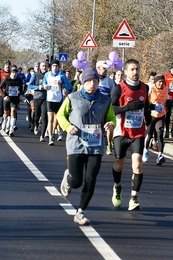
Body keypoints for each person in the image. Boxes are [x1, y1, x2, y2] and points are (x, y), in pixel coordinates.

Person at [57, 68, 116, 225]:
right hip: (76, 144)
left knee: (90, 179)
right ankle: (68, 178)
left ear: (98, 82)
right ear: (83, 83)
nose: (92, 84)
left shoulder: (105, 100)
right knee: (76, 182)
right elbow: (60, 115)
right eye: (88, 81)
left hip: (95, 146)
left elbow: (111, 117)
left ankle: (80, 211)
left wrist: (111, 124)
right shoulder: (72, 98)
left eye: (95, 81)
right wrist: (67, 126)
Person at [110, 59, 152, 211]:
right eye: (132, 70)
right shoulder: (119, 88)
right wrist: (128, 107)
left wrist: (148, 116)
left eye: (137, 69)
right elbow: (112, 109)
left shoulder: (145, 88)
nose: (135, 72)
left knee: (138, 163)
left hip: (138, 132)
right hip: (121, 132)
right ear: (126, 72)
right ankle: (117, 187)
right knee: (119, 164)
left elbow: (146, 107)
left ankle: (134, 198)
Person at [43, 59, 73, 145]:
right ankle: (50, 137)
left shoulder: (61, 75)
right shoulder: (47, 75)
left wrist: (62, 85)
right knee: (50, 119)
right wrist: (45, 86)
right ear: (51, 67)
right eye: (53, 66)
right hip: (50, 99)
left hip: (59, 99)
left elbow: (69, 86)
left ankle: (58, 133)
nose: (55, 67)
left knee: (58, 119)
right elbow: (43, 83)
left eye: (56, 66)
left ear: (58, 67)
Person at [143, 74, 168, 165]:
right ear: (156, 82)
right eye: (159, 82)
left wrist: (169, 103)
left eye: (163, 82)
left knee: (160, 134)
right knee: (149, 135)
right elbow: (145, 101)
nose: (161, 84)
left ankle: (160, 155)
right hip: (151, 115)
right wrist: (149, 107)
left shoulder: (166, 89)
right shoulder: (151, 89)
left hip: (161, 115)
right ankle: (146, 150)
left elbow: (167, 100)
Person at [96, 60, 116, 155]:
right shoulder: (93, 79)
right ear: (98, 68)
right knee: (96, 129)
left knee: (109, 128)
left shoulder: (110, 81)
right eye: (103, 68)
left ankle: (109, 144)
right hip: (95, 108)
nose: (105, 70)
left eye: (106, 68)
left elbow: (114, 95)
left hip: (106, 107)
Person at [0, 66, 24, 136]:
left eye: (15, 73)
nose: (14, 74)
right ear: (11, 73)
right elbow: (0, 87)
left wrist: (21, 95)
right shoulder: (7, 79)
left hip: (15, 98)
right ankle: (5, 122)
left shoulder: (19, 80)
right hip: (7, 98)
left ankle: (11, 129)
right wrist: (4, 96)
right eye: (13, 72)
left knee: (13, 111)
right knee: (6, 113)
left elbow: (22, 88)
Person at [28, 61, 48, 137]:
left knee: (44, 115)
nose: (44, 67)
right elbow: (30, 85)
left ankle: (42, 135)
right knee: (37, 115)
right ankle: (35, 124)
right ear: (40, 67)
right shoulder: (36, 75)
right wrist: (38, 87)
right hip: (37, 97)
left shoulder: (48, 75)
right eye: (43, 66)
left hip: (46, 98)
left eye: (46, 66)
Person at [0, 60, 11, 130]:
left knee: (7, 109)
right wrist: (1, 86)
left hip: (9, 94)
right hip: (1, 93)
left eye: (8, 66)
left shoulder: (11, 74)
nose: (7, 67)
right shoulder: (0, 73)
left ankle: (6, 123)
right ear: (4, 66)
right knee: (0, 109)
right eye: (6, 66)